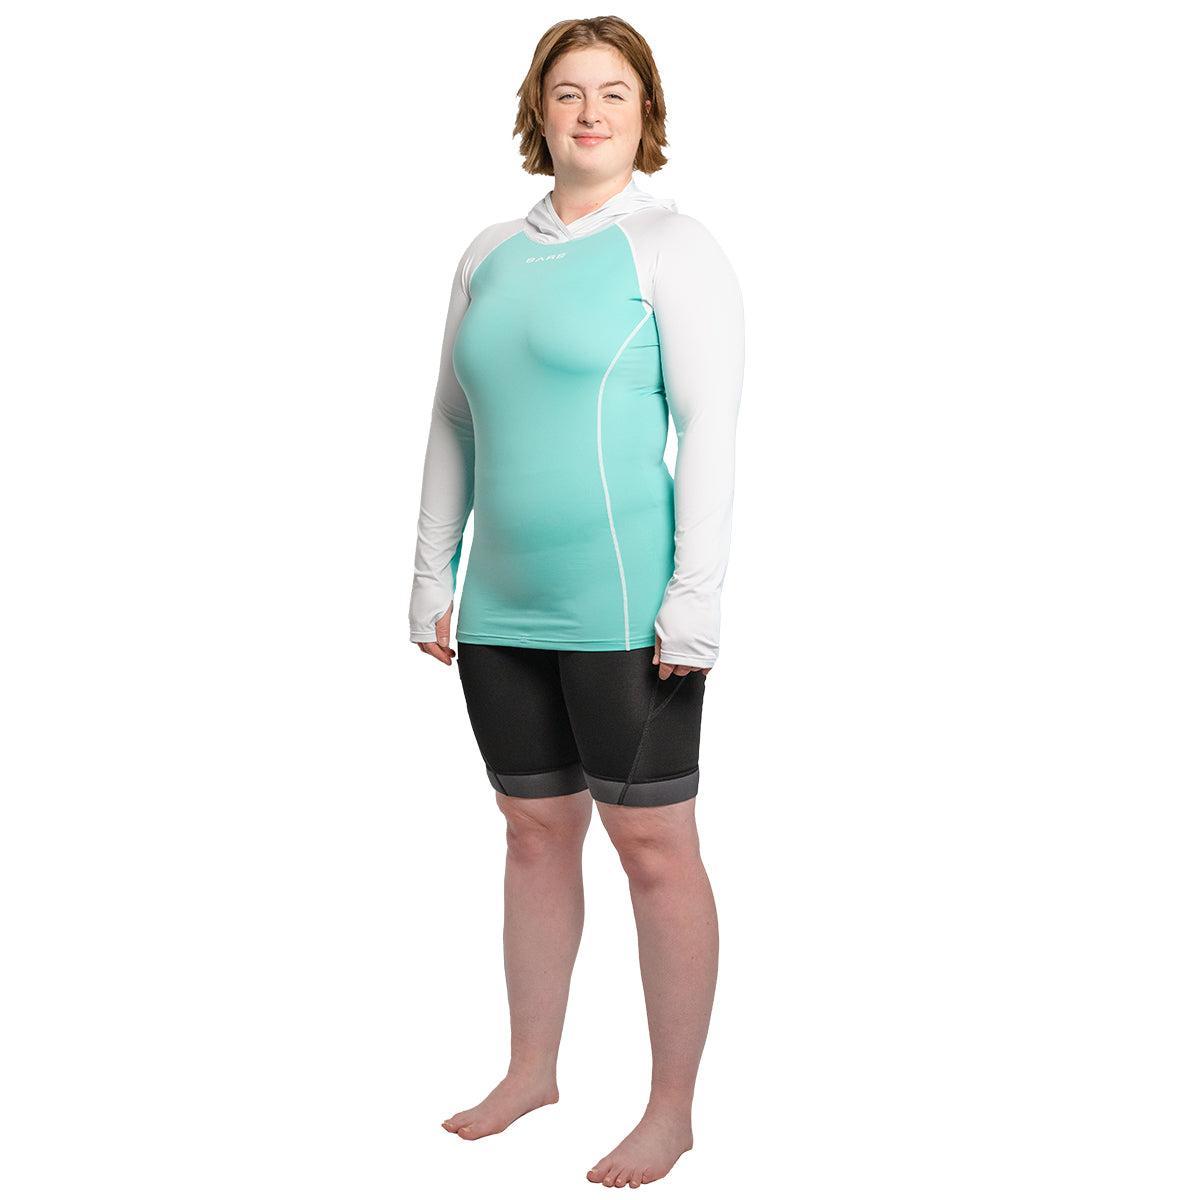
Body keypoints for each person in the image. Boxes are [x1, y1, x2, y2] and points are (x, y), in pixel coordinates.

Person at [407, 16, 744, 1189]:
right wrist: (431, 572)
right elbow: (452, 418)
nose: (589, 112)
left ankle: (671, 1109)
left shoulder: (672, 248)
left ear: (646, 114)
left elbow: (709, 430)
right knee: (533, 832)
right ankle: (531, 1070)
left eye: (613, 92)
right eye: (567, 92)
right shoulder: (488, 252)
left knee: (655, 848)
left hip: (626, 605)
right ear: (536, 112)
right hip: (501, 606)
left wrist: (694, 601)